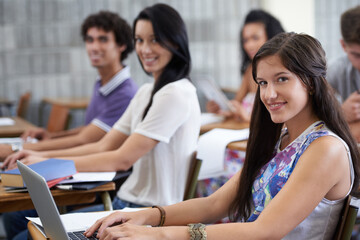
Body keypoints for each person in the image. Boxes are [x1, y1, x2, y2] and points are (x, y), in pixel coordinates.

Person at [85, 32, 360, 240]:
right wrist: (145, 216)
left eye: (282, 79)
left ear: (310, 82)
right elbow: (215, 203)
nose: (269, 94)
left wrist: (158, 234)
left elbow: (265, 230)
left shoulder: (326, 149)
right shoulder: (283, 139)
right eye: (262, 83)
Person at [4, 3, 201, 240]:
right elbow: (102, 145)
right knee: (20, 222)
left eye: (155, 39)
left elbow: (121, 158)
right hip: (126, 205)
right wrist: (46, 160)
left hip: (149, 215)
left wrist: (47, 161)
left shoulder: (176, 94)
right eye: (139, 40)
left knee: (23, 233)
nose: (145, 49)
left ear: (176, 42)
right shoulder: (147, 92)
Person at [0, 10, 138, 160]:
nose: (94, 47)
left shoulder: (125, 93)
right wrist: (51, 136)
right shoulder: (102, 82)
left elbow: (85, 139)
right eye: (90, 40)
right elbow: (91, 129)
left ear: (122, 45)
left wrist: (15, 149)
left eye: (103, 40)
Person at [206, 9, 284, 122]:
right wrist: (224, 109)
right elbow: (236, 103)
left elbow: (279, 120)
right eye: (245, 40)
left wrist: (247, 118)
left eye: (255, 38)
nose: (249, 45)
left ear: (272, 38)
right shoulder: (250, 70)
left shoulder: (283, 71)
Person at [327, 6, 360, 141]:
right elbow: (312, 117)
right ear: (343, 45)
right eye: (357, 55)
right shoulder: (336, 70)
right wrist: (340, 113)